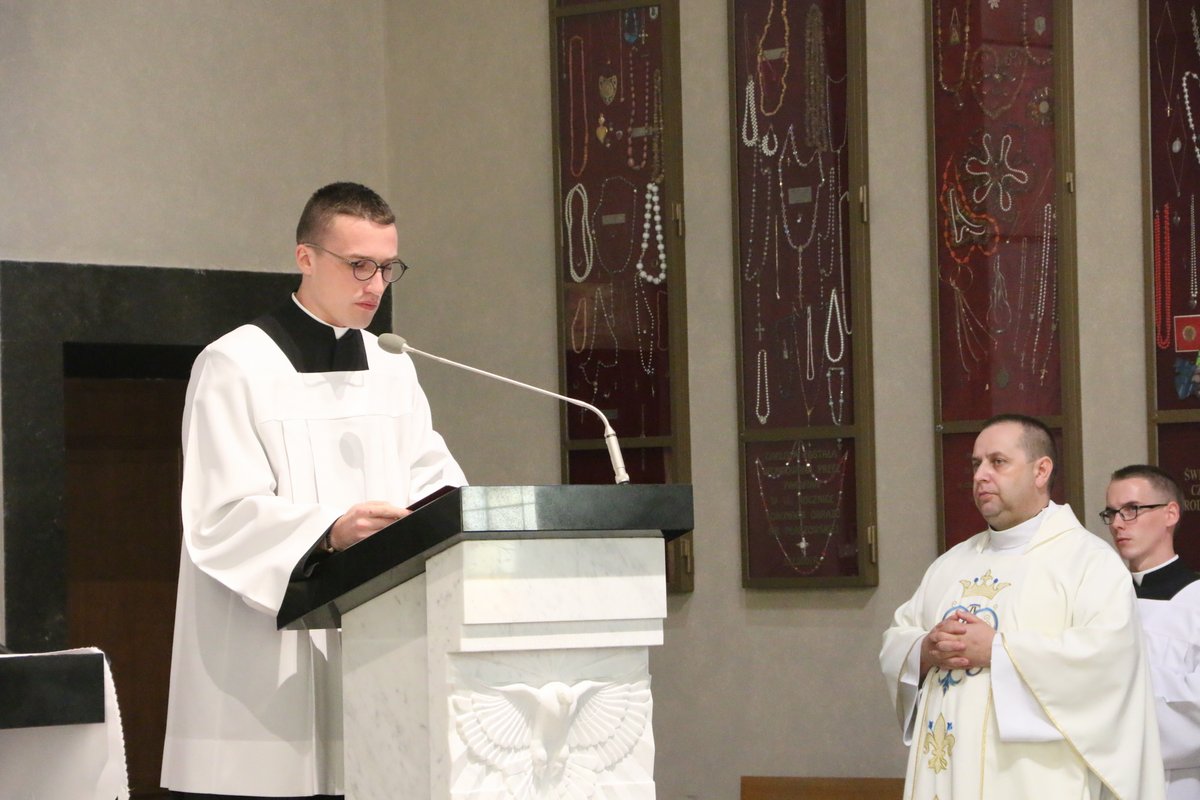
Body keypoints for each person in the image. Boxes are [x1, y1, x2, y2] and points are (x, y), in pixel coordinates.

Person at [161, 182, 467, 799]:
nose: (375, 285)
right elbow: (220, 516)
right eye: (358, 265)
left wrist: (440, 512)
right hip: (262, 665)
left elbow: (436, 482)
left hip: (378, 652)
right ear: (305, 258)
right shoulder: (235, 364)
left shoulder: (393, 366)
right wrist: (328, 531)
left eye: (387, 267)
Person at [880, 414, 1164, 799]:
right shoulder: (950, 565)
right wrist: (925, 650)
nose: (981, 475)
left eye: (998, 462)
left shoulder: (1088, 563)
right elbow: (898, 638)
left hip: (1032, 780)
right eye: (976, 464)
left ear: (1041, 471)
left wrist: (997, 651)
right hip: (947, 775)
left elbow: (1107, 664)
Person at [1104, 465, 1200, 799]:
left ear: (1170, 513)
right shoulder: (1103, 602)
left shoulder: (1195, 600)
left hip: (1180, 782)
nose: (1117, 523)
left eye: (1132, 509)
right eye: (1112, 512)